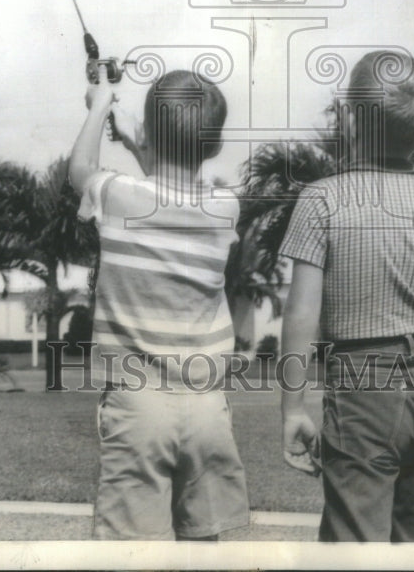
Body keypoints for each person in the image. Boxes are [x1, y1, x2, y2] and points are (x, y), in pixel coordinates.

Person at [279, 50, 414, 542]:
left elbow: (301, 314)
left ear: (348, 118)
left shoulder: (322, 199)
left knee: (355, 544)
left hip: (364, 388)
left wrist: (292, 408)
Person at [69, 68, 249, 541]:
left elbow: (80, 171)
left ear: (149, 132)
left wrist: (100, 105)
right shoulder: (225, 207)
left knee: (134, 553)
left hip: (137, 406)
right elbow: (170, 192)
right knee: (202, 543)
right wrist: (139, 141)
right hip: (209, 408)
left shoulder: (120, 195)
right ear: (212, 146)